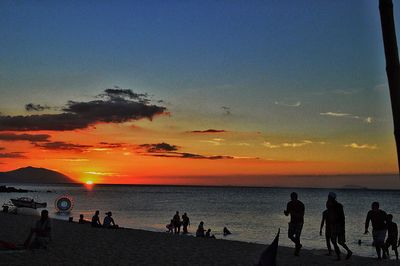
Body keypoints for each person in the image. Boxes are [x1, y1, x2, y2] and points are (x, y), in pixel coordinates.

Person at [326, 192, 352, 261]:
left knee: (337, 241)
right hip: (335, 226)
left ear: (331, 198)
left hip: (338, 226)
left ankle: (343, 254)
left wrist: (342, 227)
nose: (328, 197)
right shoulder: (331, 205)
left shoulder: (337, 206)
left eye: (329, 196)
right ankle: (341, 255)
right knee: (337, 241)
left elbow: (342, 217)